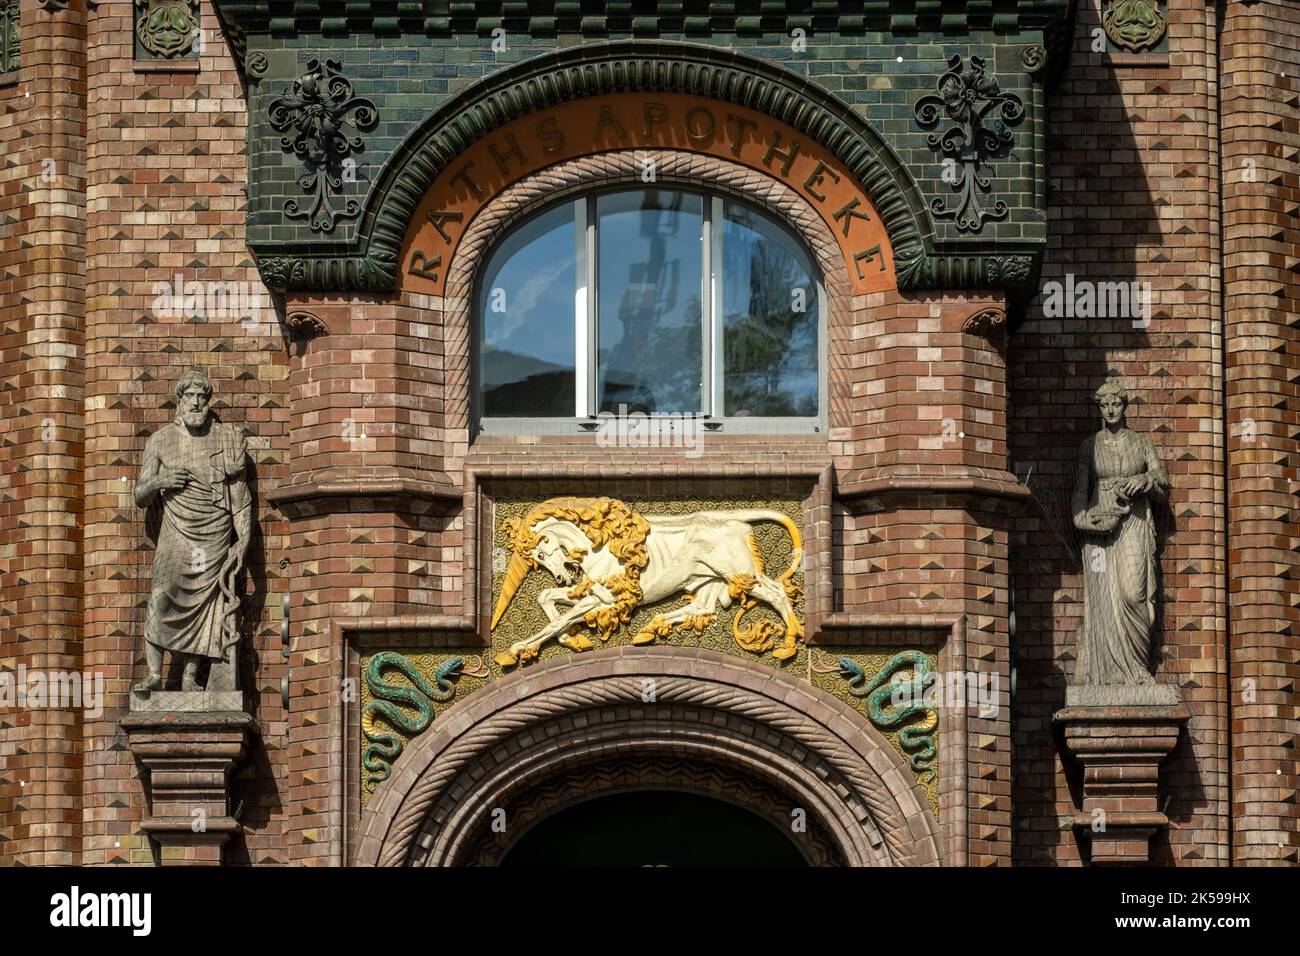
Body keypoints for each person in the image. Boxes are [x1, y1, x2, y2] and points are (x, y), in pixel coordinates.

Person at [133, 370, 250, 692]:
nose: (197, 403)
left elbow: (240, 498)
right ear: (179, 401)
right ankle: (155, 675)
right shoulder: (161, 440)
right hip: (176, 532)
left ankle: (189, 677)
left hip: (213, 535)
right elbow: (140, 496)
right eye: (190, 397)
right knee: (161, 597)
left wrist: (243, 541)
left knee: (206, 604)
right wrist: (160, 481)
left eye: (202, 397)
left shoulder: (224, 439)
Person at [1070, 379, 1169, 686]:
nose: (1111, 410)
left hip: (1135, 524)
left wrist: (1146, 481)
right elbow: (1079, 493)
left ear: (1125, 407)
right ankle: (1107, 673)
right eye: (1105, 405)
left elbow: (1163, 487)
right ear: (1099, 408)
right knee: (1103, 598)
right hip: (1099, 530)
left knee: (1133, 593)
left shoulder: (1141, 443)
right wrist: (1084, 520)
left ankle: (1137, 668)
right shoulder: (1090, 446)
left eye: (1116, 404)